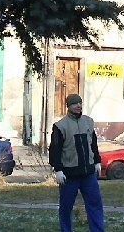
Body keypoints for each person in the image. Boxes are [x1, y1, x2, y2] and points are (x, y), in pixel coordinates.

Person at [48, 93, 104, 232]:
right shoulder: (60, 126)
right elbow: (55, 149)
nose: (78, 106)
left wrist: (97, 161)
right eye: (74, 103)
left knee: (95, 205)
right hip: (69, 175)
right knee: (66, 208)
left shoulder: (88, 122)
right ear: (68, 106)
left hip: (88, 174)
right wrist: (58, 169)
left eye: (80, 103)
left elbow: (94, 144)